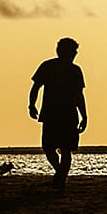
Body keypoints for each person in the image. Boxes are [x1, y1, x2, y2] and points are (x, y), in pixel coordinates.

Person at [28, 37, 87, 185]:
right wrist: (31, 105)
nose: (75, 54)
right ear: (61, 51)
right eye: (73, 51)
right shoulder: (48, 66)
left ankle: (60, 177)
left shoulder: (75, 70)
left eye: (75, 52)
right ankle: (60, 173)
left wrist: (84, 116)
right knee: (48, 148)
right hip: (51, 114)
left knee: (66, 149)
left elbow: (79, 95)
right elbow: (36, 87)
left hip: (68, 115)